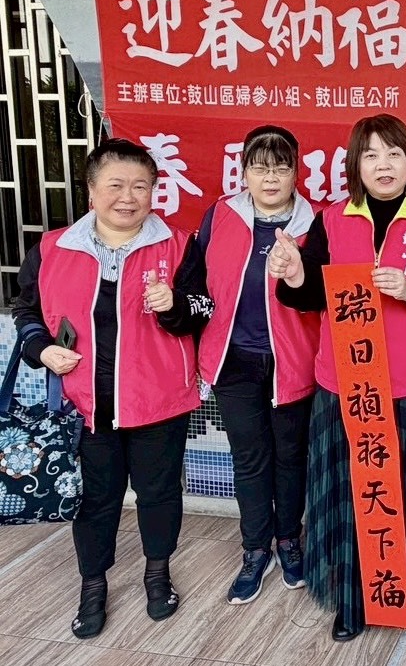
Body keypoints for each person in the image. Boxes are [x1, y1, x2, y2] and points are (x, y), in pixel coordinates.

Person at [268, 113, 406, 641]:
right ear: (355, 165)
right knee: (349, 496)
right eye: (372, 155)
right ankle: (351, 596)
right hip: (347, 385)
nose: (384, 165)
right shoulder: (331, 221)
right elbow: (307, 293)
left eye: (394, 154)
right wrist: (295, 272)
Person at [12, 138, 214, 639]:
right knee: (95, 500)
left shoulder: (179, 245)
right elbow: (26, 311)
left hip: (158, 402)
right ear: (91, 190)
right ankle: (93, 585)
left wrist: (175, 304)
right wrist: (41, 349)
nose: (128, 197)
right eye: (116, 185)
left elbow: (205, 309)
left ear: (154, 191)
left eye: (140, 186)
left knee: (158, 494)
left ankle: (157, 573)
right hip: (84, 406)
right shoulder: (52, 248)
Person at [196, 125, 320, 605]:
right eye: (260, 167)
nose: (270, 178)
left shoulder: (317, 223)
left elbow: (324, 296)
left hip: (294, 361)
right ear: (244, 171)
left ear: (296, 172)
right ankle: (254, 550)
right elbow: (195, 282)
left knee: (291, 457)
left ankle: (289, 542)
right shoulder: (220, 216)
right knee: (249, 459)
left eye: (281, 167)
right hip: (234, 362)